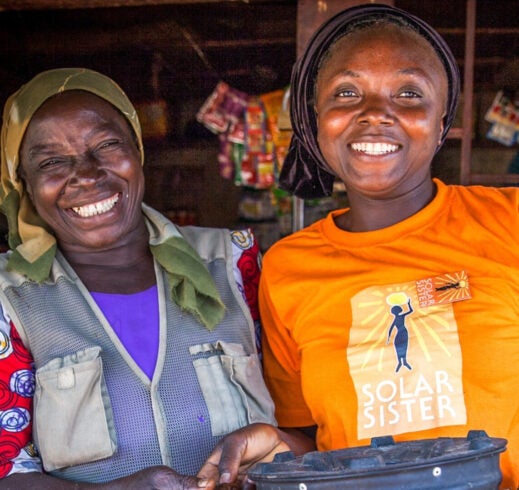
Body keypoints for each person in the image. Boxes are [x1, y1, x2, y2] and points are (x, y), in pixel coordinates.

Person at [0, 68, 313, 489]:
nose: (88, 174)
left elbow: (315, 433)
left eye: (107, 145)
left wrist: (275, 447)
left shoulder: (237, 265)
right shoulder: (11, 301)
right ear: (24, 183)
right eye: (52, 161)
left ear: (138, 151)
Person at [258, 4, 519, 489]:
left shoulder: (509, 221)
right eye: (348, 92)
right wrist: (267, 441)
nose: (376, 113)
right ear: (317, 120)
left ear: (442, 122)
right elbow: (312, 436)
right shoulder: (287, 269)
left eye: (408, 92)